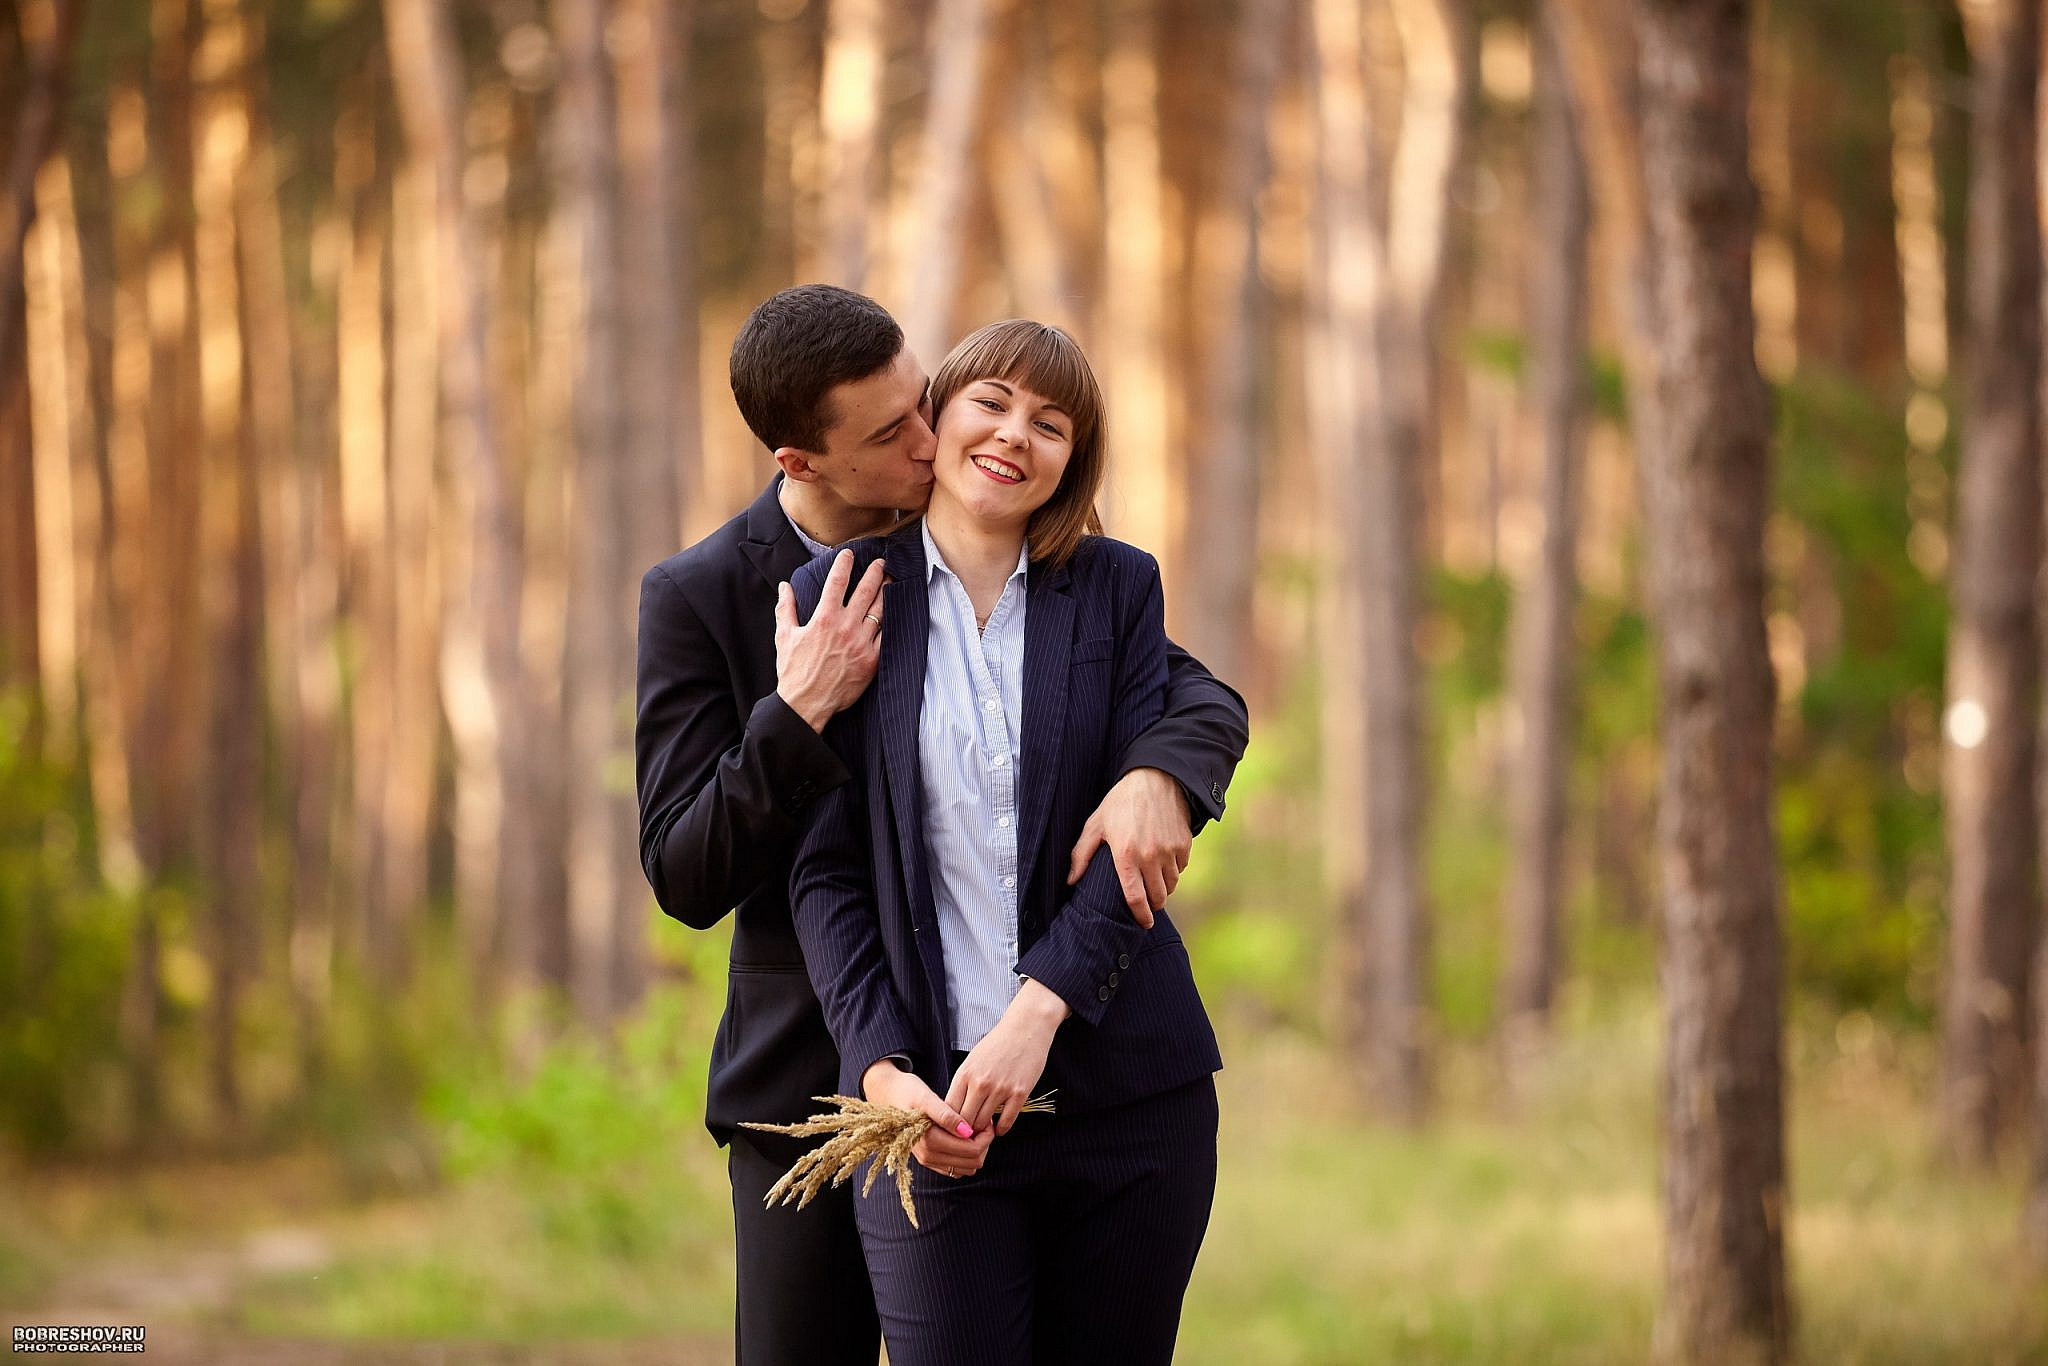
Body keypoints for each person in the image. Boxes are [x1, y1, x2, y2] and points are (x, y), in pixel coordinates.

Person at [632, 286, 1249, 1365]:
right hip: (817, 1078)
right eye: (895, 432)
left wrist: (1161, 774)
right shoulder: (717, 594)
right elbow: (692, 872)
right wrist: (797, 712)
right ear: (803, 462)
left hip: (1074, 1066)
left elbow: (1192, 698)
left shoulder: (1073, 569)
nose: (931, 441)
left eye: (926, 402)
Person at [788, 319, 1230, 1365]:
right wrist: (878, 1066)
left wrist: (1036, 1012)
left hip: (1128, 1100)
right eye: (991, 401)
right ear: (935, 416)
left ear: (1072, 461)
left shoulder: (1117, 590)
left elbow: (1131, 853)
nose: (1014, 434)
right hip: (930, 1113)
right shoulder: (838, 596)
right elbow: (825, 868)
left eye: (1051, 423)